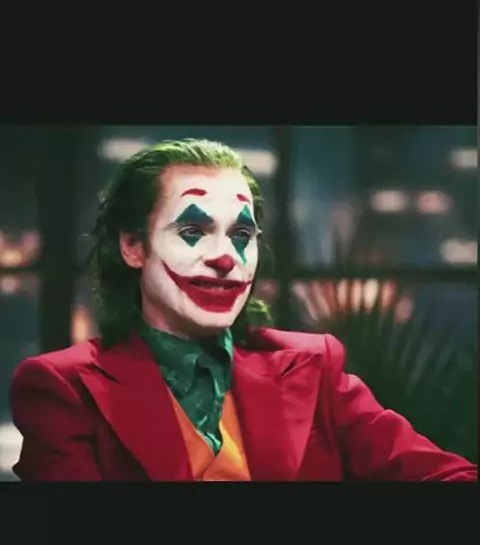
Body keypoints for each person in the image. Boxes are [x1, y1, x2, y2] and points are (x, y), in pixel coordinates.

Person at [10, 138, 477, 481]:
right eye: (193, 231)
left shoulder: (313, 367)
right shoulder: (61, 388)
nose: (225, 257)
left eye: (241, 235)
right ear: (133, 245)